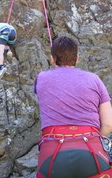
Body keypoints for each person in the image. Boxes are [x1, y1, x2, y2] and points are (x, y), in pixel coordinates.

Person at [34, 36, 112, 178]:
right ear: (77, 58)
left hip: (51, 154)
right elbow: (108, 124)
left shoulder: (41, 78)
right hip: (92, 151)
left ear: (52, 58)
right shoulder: (94, 79)